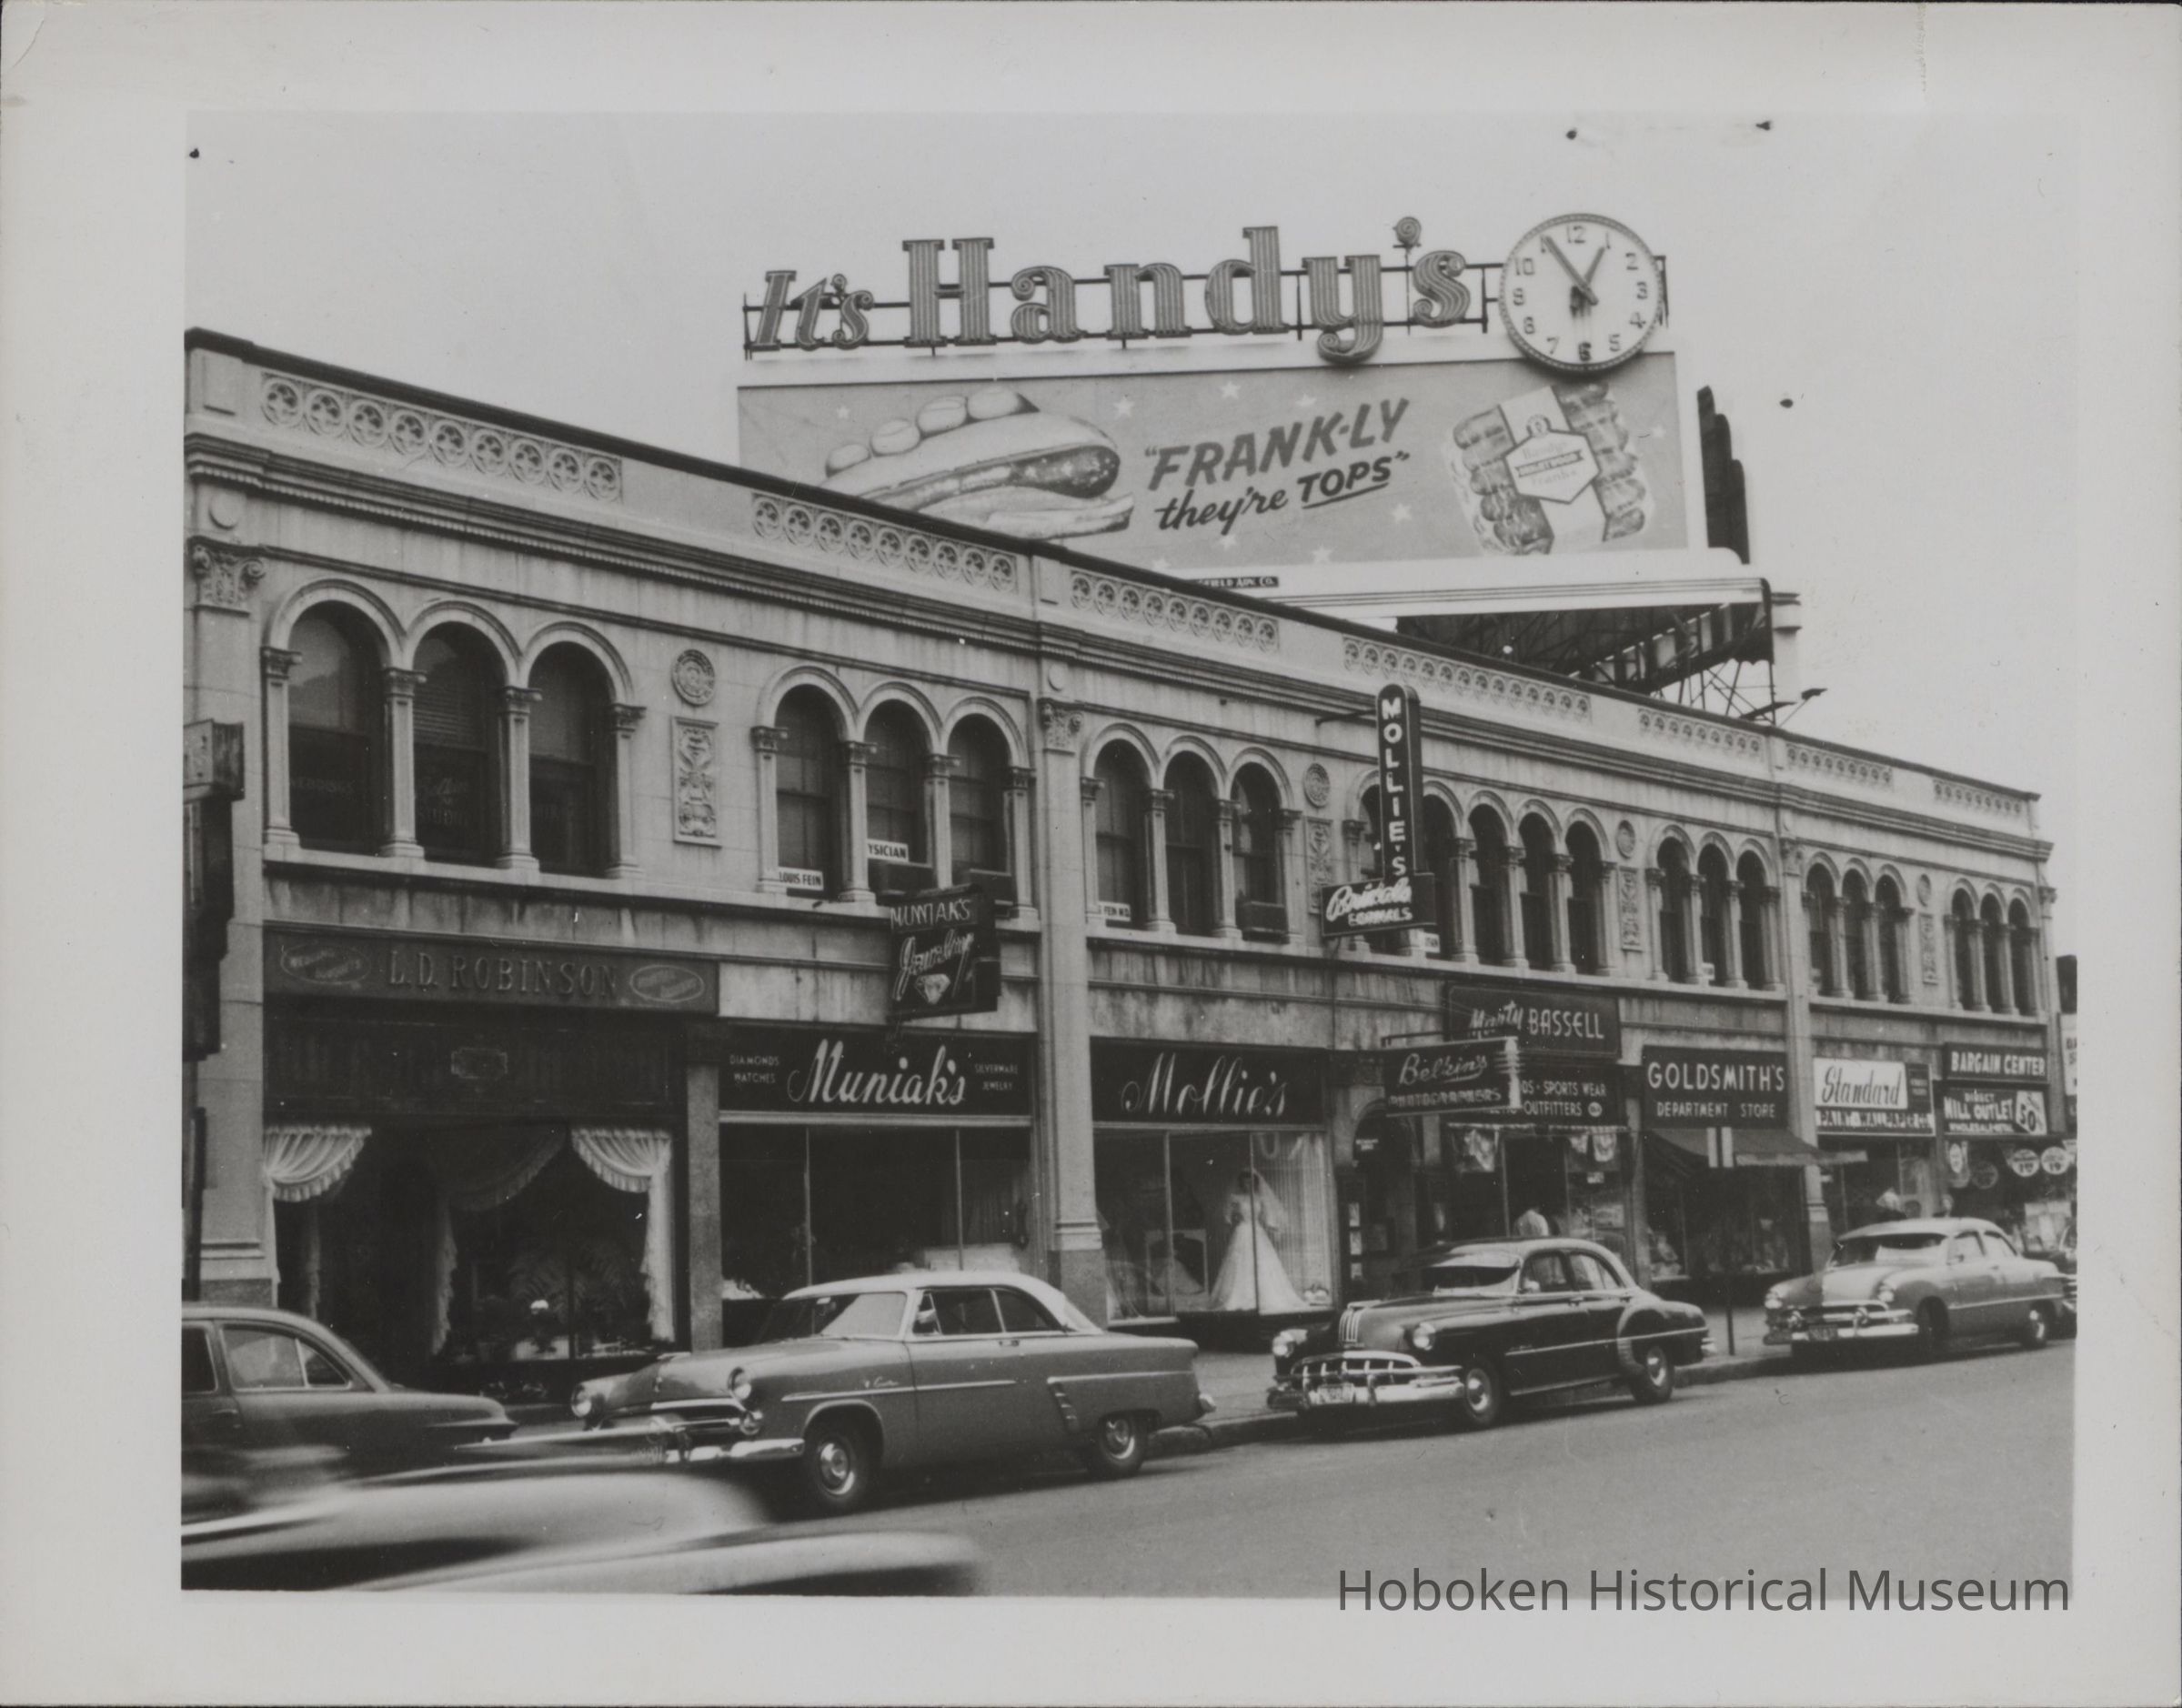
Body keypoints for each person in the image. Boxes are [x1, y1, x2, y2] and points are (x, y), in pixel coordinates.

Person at [1206, 1169, 1307, 1313]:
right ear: (1241, 1183)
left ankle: (1263, 1297)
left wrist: (1273, 1226)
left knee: (1262, 1263)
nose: (1248, 1185)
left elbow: (1269, 1215)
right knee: (1242, 1263)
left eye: (1251, 1182)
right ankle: (1241, 1296)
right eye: (1245, 1182)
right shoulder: (1236, 1198)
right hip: (1242, 1231)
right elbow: (1227, 1215)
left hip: (1258, 1231)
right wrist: (1231, 1220)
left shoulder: (1260, 1198)